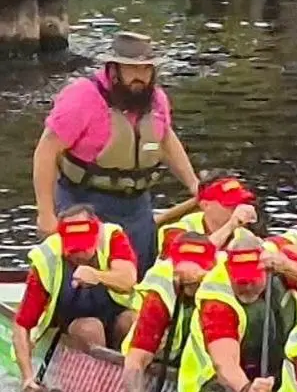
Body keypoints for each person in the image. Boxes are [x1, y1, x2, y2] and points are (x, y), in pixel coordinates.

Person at [32, 32, 199, 276]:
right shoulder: (82, 98)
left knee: (139, 278)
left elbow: (165, 139)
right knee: (83, 282)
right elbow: (46, 152)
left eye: (146, 70)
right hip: (83, 202)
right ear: (113, 69)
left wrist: (194, 184)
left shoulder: (157, 100)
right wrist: (45, 213)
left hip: (137, 206)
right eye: (132, 70)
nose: (140, 78)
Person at [176, 233, 297, 392]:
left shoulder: (275, 260)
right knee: (257, 315)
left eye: (253, 279)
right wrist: (247, 390)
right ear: (229, 271)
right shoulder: (217, 299)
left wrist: (289, 267)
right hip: (212, 382)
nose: (248, 287)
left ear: (264, 269)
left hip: (272, 367)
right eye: (241, 281)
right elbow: (225, 362)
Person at [13, 205, 139, 392]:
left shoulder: (112, 237)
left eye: (84, 248)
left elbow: (128, 279)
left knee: (131, 321)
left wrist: (96, 276)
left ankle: (134, 381)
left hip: (115, 316)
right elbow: (22, 324)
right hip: (74, 323)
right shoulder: (46, 258)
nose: (79, 255)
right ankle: (101, 391)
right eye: (73, 249)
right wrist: (27, 377)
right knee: (90, 328)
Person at [121, 232, 219, 392]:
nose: (188, 280)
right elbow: (135, 363)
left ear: (212, 267)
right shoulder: (161, 294)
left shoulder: (224, 284)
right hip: (166, 357)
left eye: (196, 279)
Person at [157, 171, 258, 255]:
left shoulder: (244, 235)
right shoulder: (174, 232)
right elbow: (193, 258)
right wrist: (230, 225)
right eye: (229, 203)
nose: (237, 208)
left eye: (241, 201)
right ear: (205, 205)